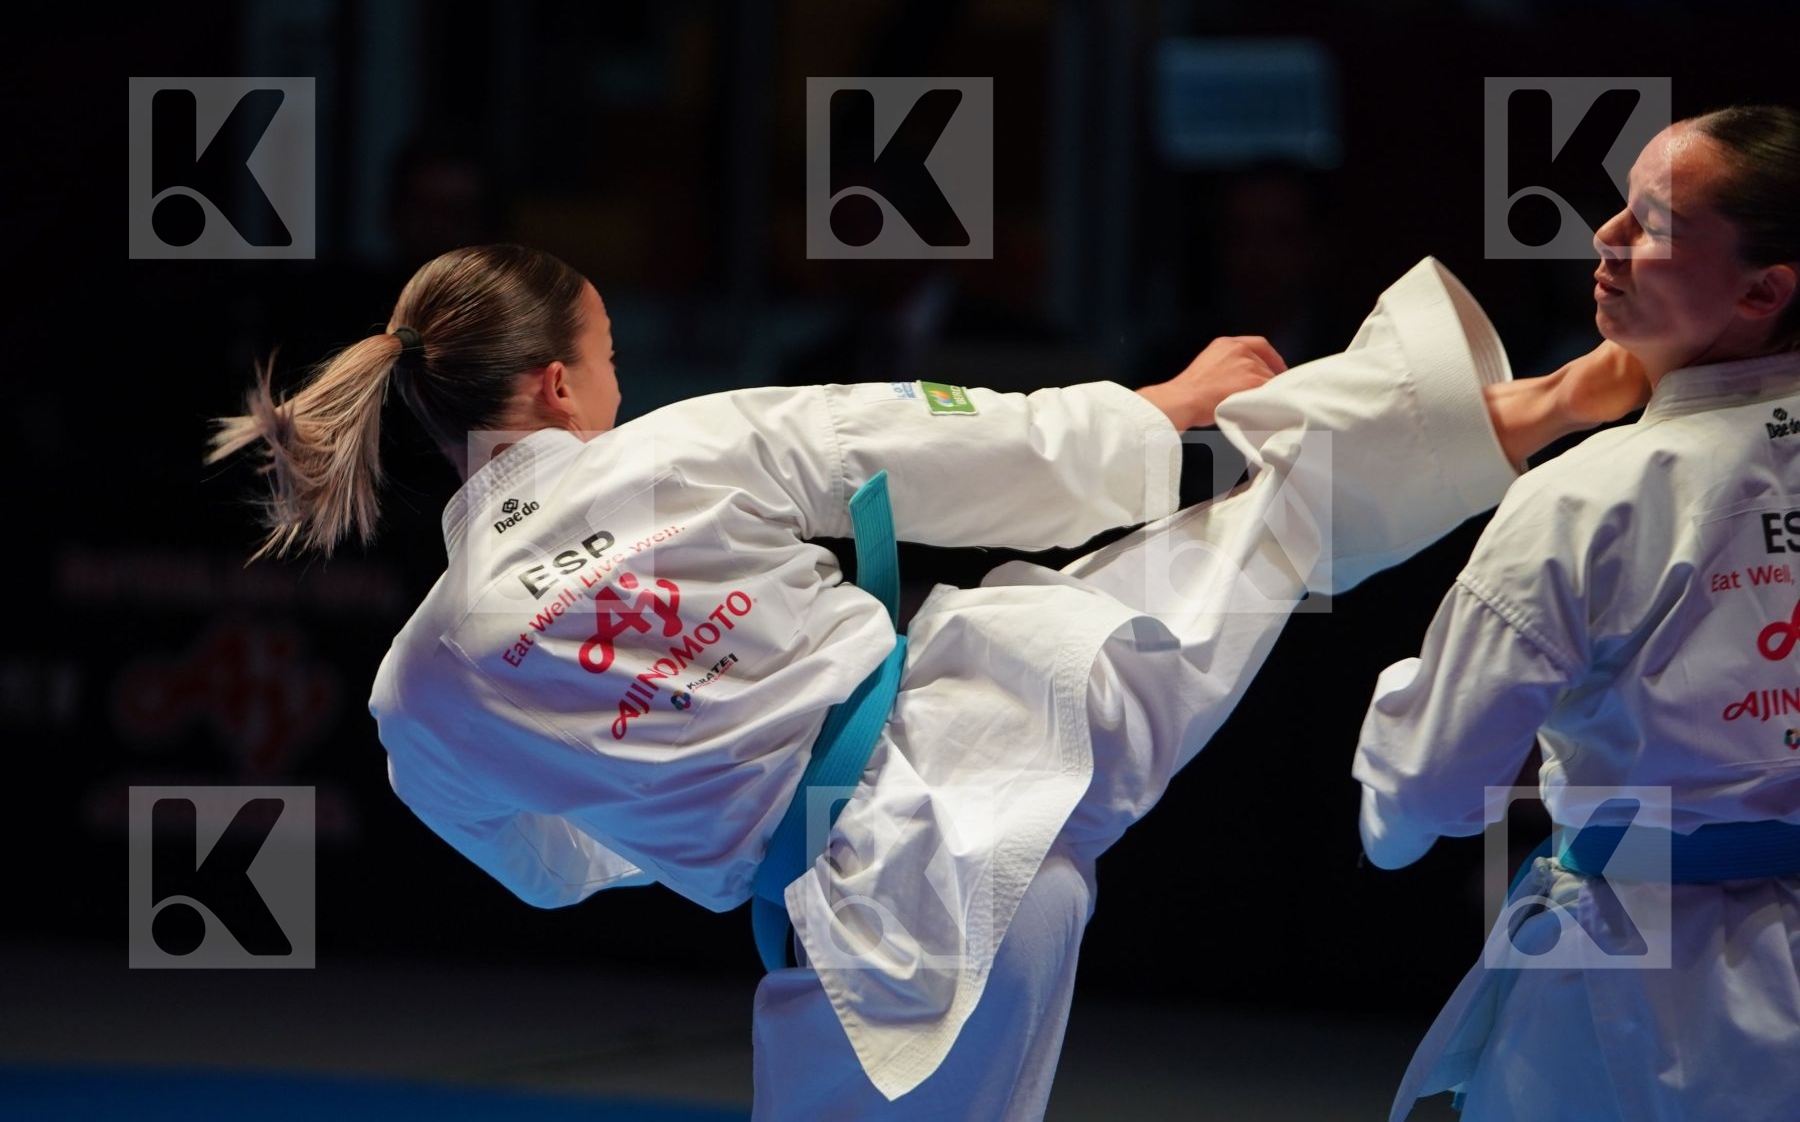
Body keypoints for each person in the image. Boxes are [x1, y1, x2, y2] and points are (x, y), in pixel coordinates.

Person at [204, 242, 1642, 1119]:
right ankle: (1529, 404)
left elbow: (547, 868)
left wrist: (688, 802)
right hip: (1012, 719)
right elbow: (933, 441)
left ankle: (1525, 406)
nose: (620, 387)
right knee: (1266, 524)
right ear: (559, 392)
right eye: (611, 358)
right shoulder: (673, 451)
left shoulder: (420, 689)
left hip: (868, 919)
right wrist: (1155, 412)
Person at [1354, 104, 1800, 1122]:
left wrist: (1402, 712)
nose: (1606, 237)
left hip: (1629, 977)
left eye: (1653, 225)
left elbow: (1417, 801)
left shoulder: (1590, 497)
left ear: (1763, 290)